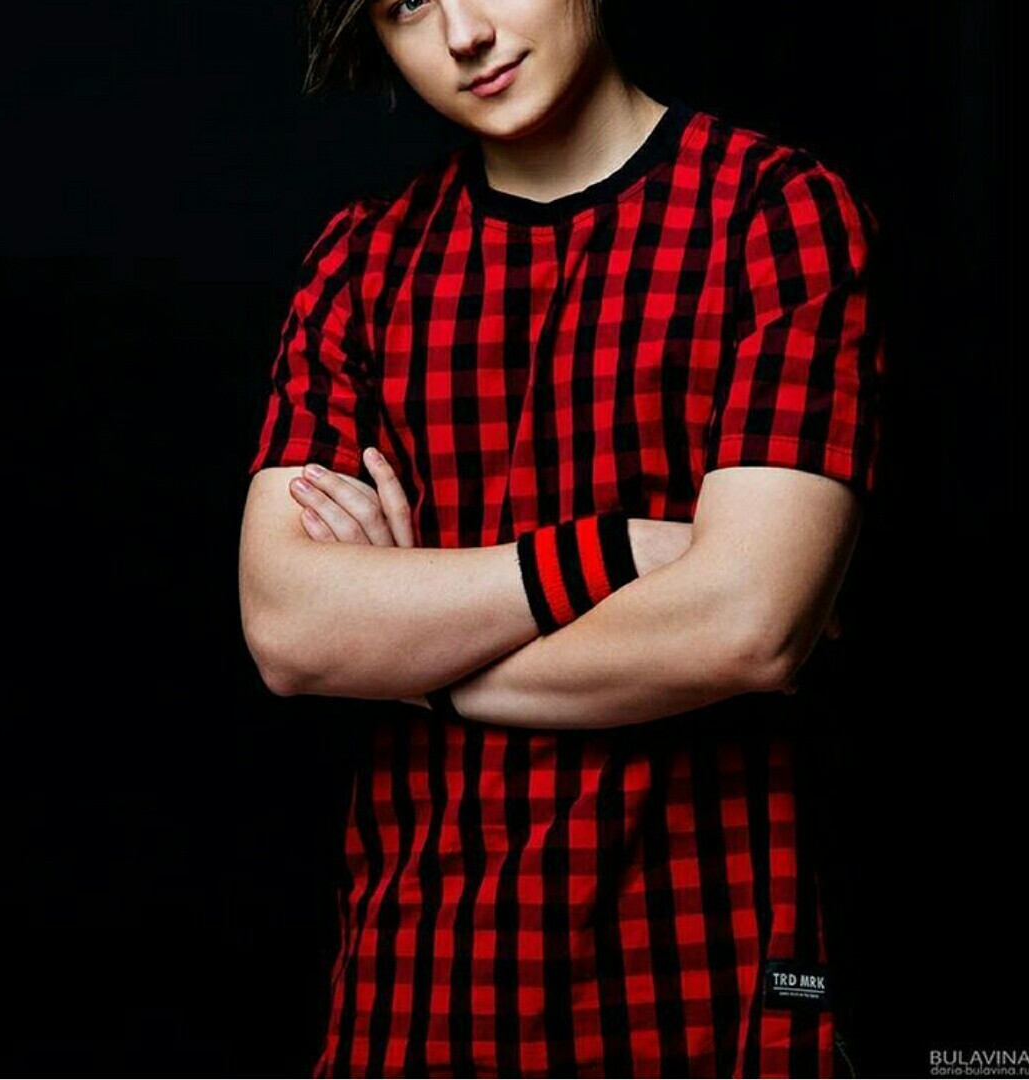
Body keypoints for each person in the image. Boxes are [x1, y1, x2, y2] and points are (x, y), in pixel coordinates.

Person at [238, 0, 886, 1075]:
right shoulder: (361, 264)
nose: (462, 35)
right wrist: (625, 550)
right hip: (414, 997)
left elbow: (746, 627)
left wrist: (421, 669)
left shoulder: (772, 213)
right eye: (405, 6)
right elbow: (289, 629)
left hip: (710, 988)